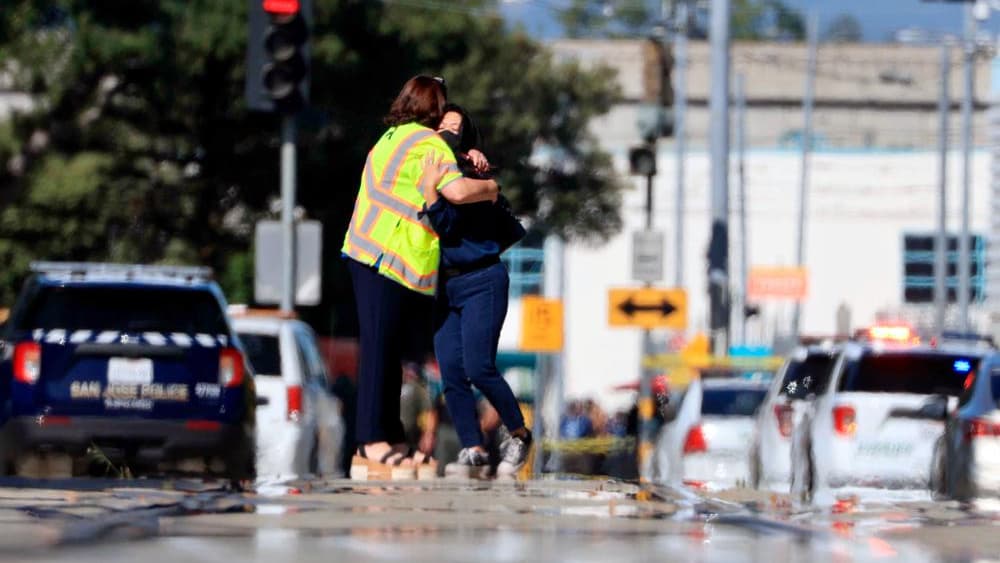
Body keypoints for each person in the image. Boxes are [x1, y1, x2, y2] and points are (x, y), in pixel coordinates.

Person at [342, 76, 501, 480]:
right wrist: (491, 188)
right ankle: (369, 442)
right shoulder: (427, 144)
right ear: (433, 107)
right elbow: (460, 192)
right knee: (379, 349)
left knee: (387, 351)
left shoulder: (393, 136)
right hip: (385, 257)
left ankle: (390, 438)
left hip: (370, 252)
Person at [418, 108, 533, 479]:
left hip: (482, 278)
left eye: (456, 129)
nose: (447, 133)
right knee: (451, 370)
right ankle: (473, 449)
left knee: (479, 368)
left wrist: (432, 193)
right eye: (442, 126)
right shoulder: (426, 167)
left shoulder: (470, 178)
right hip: (445, 286)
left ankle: (518, 433)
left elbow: (449, 225)